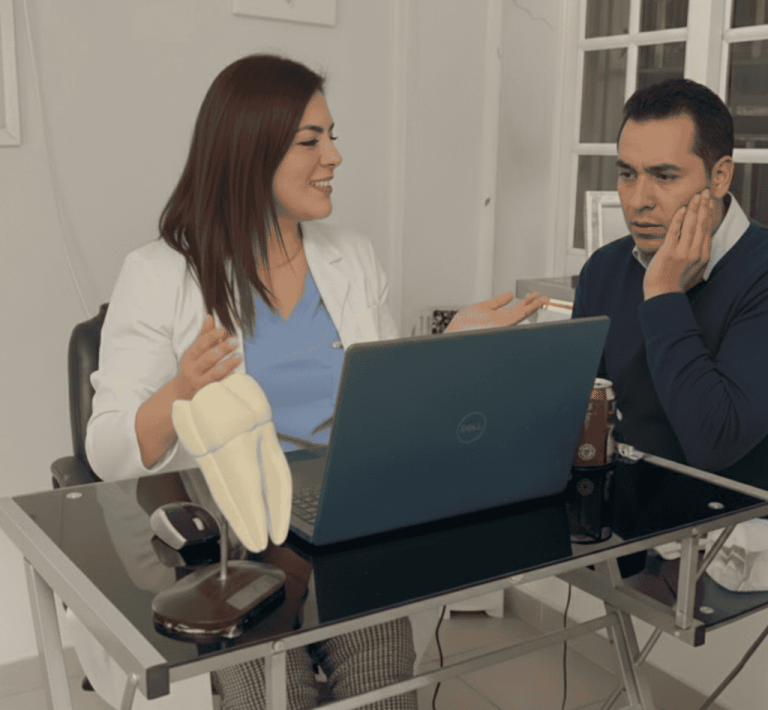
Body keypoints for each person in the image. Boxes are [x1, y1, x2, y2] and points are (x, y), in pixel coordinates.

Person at [83, 54, 547, 710]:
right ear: (248, 151)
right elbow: (105, 449)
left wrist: (451, 348)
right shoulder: (159, 274)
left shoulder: (350, 257)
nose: (333, 156)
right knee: (275, 697)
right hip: (229, 542)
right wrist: (180, 390)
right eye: (311, 141)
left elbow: (387, 407)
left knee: (384, 691)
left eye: (333, 136)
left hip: (339, 529)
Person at [572, 78, 768, 491]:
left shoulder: (760, 272)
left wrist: (663, 293)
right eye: (627, 174)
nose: (638, 199)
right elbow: (577, 419)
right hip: (623, 523)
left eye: (664, 176)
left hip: (729, 535)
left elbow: (715, 446)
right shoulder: (604, 269)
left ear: (719, 177)